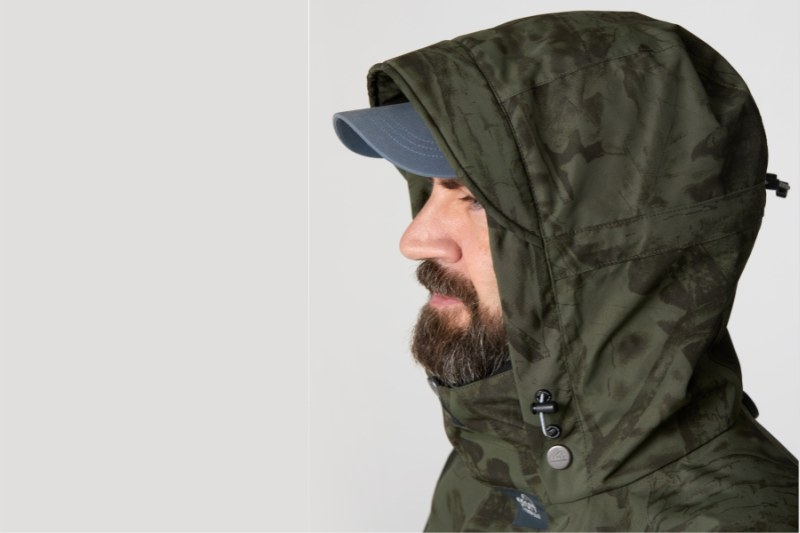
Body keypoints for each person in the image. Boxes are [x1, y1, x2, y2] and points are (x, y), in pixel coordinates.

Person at [332, 11, 798, 531]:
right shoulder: (493, 466)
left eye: (477, 199)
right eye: (434, 189)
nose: (415, 240)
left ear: (617, 241)